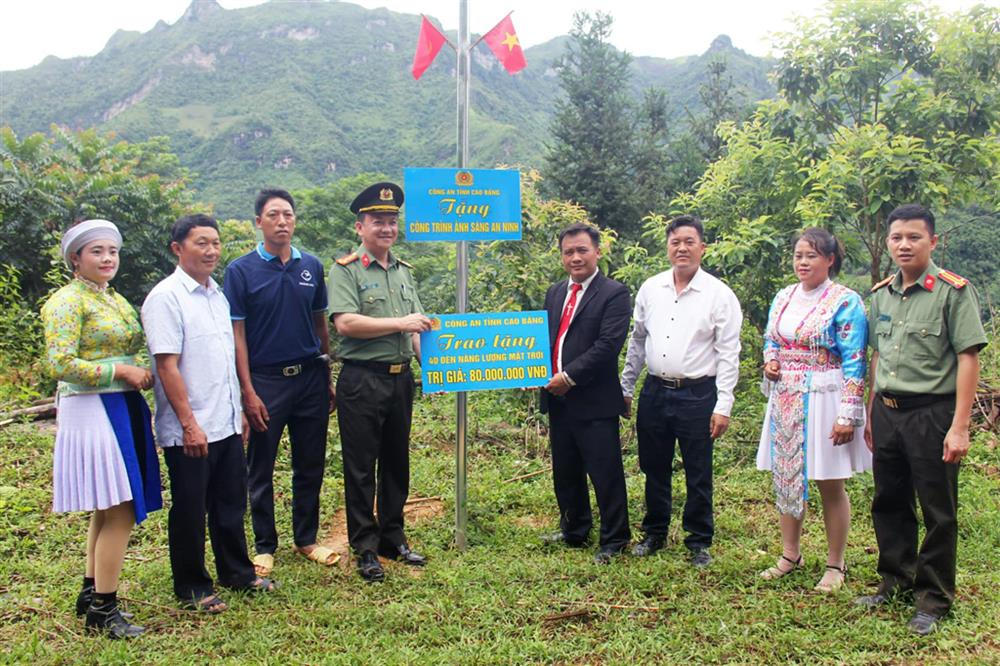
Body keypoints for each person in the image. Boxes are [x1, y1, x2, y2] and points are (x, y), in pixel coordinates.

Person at [855, 204, 987, 635]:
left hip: (933, 413)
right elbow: (878, 354)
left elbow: (968, 357)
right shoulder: (880, 294)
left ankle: (932, 598)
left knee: (937, 508)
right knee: (888, 500)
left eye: (914, 237)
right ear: (889, 242)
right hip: (888, 411)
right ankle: (895, 578)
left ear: (933, 241)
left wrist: (960, 425)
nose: (904, 244)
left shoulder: (952, 292)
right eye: (897, 237)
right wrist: (872, 413)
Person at [142, 214, 276, 614]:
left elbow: (225, 361)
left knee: (230, 502)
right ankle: (192, 586)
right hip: (191, 427)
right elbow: (167, 366)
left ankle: (237, 572)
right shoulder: (165, 298)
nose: (211, 251)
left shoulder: (217, 295)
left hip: (225, 422)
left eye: (215, 243)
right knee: (190, 508)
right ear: (177, 249)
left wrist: (239, 413)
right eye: (201, 243)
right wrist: (188, 424)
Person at [41, 219, 162, 639]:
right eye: (96, 251)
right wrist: (120, 369)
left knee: (106, 506)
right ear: (76, 259)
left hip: (120, 404)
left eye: (112, 251)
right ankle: (104, 611)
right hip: (93, 407)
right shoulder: (66, 301)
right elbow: (58, 363)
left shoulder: (111, 298)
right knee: (121, 507)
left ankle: (91, 592)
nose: (107, 258)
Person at [223, 189, 338, 576]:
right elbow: (237, 334)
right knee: (261, 465)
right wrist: (247, 391)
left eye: (288, 214)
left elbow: (320, 322)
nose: (282, 221)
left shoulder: (312, 266)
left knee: (310, 463)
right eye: (273, 215)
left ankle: (306, 538)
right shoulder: (241, 271)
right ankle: (264, 544)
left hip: (309, 377)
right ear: (259, 222)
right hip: (265, 381)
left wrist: (327, 374)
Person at [620, 215, 742, 567]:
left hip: (698, 394)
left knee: (697, 469)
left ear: (703, 247)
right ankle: (655, 532)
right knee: (654, 465)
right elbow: (637, 342)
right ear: (668, 247)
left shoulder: (719, 295)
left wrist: (724, 405)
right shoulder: (650, 288)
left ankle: (698, 540)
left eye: (689, 241)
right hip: (655, 391)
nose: (682, 248)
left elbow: (728, 352)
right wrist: (627, 386)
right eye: (675, 242)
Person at [755, 228, 870, 592]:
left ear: (830, 259)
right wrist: (771, 361)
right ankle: (790, 553)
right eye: (798, 256)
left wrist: (847, 413)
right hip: (786, 395)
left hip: (825, 395)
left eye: (811, 256)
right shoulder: (784, 296)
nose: (802, 263)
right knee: (787, 474)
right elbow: (771, 338)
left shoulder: (845, 301)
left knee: (829, 482)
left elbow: (855, 359)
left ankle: (835, 563)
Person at [328, 181, 432, 582]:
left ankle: (393, 536)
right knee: (360, 466)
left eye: (391, 221)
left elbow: (418, 329)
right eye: (377, 221)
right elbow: (346, 323)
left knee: (396, 461)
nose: (386, 228)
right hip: (362, 380)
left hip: (400, 380)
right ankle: (365, 547)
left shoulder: (404, 273)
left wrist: (436, 370)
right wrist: (399, 323)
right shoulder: (346, 271)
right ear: (360, 227)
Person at [540, 223, 632, 564]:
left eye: (582, 250)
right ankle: (574, 530)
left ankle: (615, 538)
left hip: (592, 399)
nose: (575, 257)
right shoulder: (554, 292)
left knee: (604, 471)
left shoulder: (614, 293)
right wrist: (532, 371)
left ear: (597, 252)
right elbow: (545, 341)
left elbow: (607, 346)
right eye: (568, 252)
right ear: (562, 256)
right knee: (565, 470)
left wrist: (569, 376)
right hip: (558, 398)